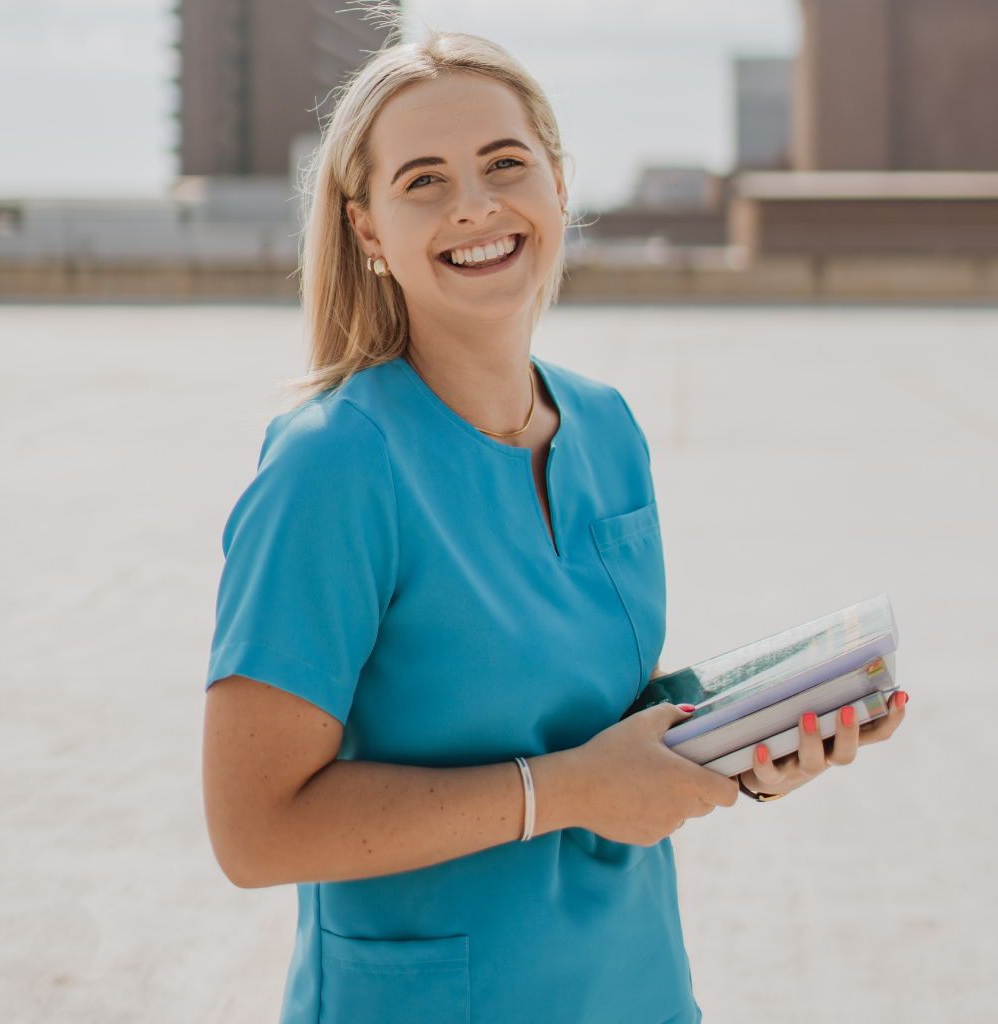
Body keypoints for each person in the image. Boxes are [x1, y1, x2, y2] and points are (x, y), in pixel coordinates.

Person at [202, 28, 907, 1024]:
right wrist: (567, 790)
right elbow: (252, 830)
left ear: (559, 185)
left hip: (635, 988)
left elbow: (591, 730)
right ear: (368, 232)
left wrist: (735, 744)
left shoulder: (607, 427)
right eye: (423, 180)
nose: (474, 207)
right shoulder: (334, 463)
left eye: (502, 164)